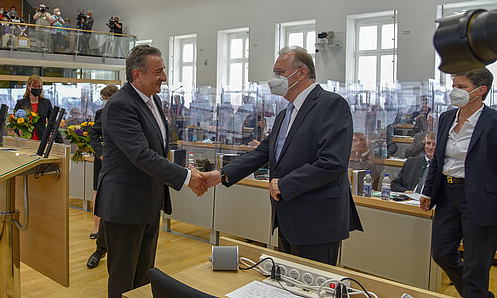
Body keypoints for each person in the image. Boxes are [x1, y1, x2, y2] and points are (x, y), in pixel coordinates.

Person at [203, 46, 362, 266]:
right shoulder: (284, 115)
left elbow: (332, 163)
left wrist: (285, 184)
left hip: (317, 222)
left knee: (312, 287)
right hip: (287, 217)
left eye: (279, 72)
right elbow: (262, 153)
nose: (274, 79)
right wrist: (220, 175)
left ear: (301, 73)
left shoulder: (331, 105)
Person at [94, 45, 206, 297]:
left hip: (147, 203)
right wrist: (187, 177)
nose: (164, 77)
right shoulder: (120, 105)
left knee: (144, 278)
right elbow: (141, 155)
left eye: (163, 70)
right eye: (158, 71)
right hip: (124, 207)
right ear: (136, 75)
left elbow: (157, 149)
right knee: (124, 281)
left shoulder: (152, 100)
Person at [420, 67, 497, 298]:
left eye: (461, 87)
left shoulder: (493, 122)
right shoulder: (446, 118)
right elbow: (437, 160)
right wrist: (427, 191)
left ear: (481, 91)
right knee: (441, 253)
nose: (455, 92)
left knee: (477, 264)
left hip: (480, 197)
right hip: (446, 193)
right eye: (453, 86)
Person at [86, 85, 119, 269]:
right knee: (103, 199)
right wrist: (100, 153)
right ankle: (100, 248)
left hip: (125, 166)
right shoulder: (103, 112)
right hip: (106, 162)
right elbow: (93, 132)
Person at [13, 75, 63, 143]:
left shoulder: (46, 103)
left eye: (39, 87)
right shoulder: (21, 103)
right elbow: (14, 122)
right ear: (29, 87)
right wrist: (18, 130)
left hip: (41, 139)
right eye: (35, 86)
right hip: (25, 139)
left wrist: (60, 141)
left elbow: (52, 123)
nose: (37, 88)